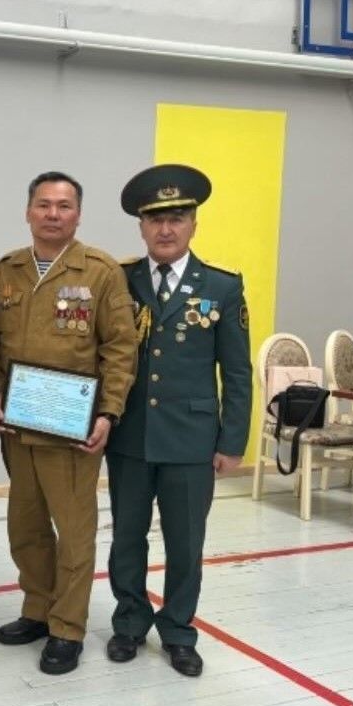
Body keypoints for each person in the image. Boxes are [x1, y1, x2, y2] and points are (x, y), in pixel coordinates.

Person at [0, 171, 138, 675]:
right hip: (19, 428)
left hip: (74, 431)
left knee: (73, 533)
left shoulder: (100, 272)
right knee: (25, 528)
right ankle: (37, 609)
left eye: (64, 206)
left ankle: (67, 627)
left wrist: (109, 411)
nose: (53, 214)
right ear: (28, 211)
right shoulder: (5, 272)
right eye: (44, 204)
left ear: (78, 214)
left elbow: (120, 348)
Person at [106, 164, 251, 677]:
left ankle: (178, 631)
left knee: (186, 543)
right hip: (130, 436)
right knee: (127, 537)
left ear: (193, 224)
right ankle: (129, 622)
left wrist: (232, 441)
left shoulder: (221, 286)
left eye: (177, 218)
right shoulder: (119, 280)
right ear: (141, 227)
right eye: (155, 219)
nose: (166, 229)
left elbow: (236, 371)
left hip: (191, 439)